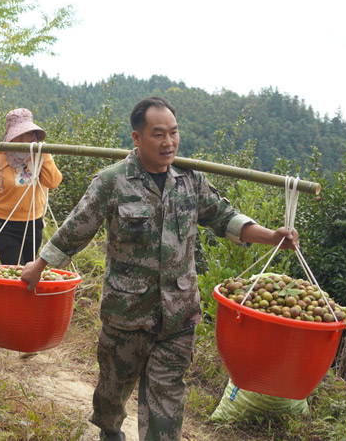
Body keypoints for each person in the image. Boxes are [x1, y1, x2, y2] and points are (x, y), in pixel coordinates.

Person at [20, 97, 300, 441]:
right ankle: (110, 431)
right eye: (158, 134)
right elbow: (77, 228)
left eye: (174, 133)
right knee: (112, 390)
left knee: (167, 403)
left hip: (178, 317)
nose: (169, 142)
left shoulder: (190, 180)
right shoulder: (113, 182)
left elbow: (226, 218)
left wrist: (272, 237)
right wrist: (40, 265)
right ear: (137, 138)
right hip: (127, 315)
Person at [0, 108, 62, 266]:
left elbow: (53, 182)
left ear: (33, 135)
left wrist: (44, 154)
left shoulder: (39, 156)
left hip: (34, 223)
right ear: (10, 136)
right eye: (18, 135)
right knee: (14, 270)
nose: (23, 139)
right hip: (5, 224)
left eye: (27, 134)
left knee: (29, 269)